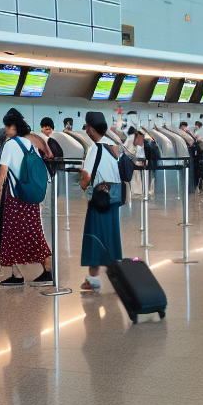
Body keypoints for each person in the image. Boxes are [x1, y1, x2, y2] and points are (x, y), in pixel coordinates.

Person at [0, 109, 53, 288]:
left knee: (13, 234)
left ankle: (42, 272)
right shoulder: (29, 143)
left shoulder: (9, 144)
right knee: (31, 232)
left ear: (13, 127)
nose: (4, 129)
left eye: (6, 126)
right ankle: (17, 274)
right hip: (30, 197)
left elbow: (3, 172)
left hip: (16, 197)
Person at [78, 111, 124, 290]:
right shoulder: (114, 147)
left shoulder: (95, 149)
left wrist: (81, 183)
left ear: (90, 128)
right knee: (111, 237)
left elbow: (86, 179)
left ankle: (93, 277)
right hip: (113, 199)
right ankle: (118, 276)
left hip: (98, 201)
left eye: (86, 127)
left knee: (95, 237)